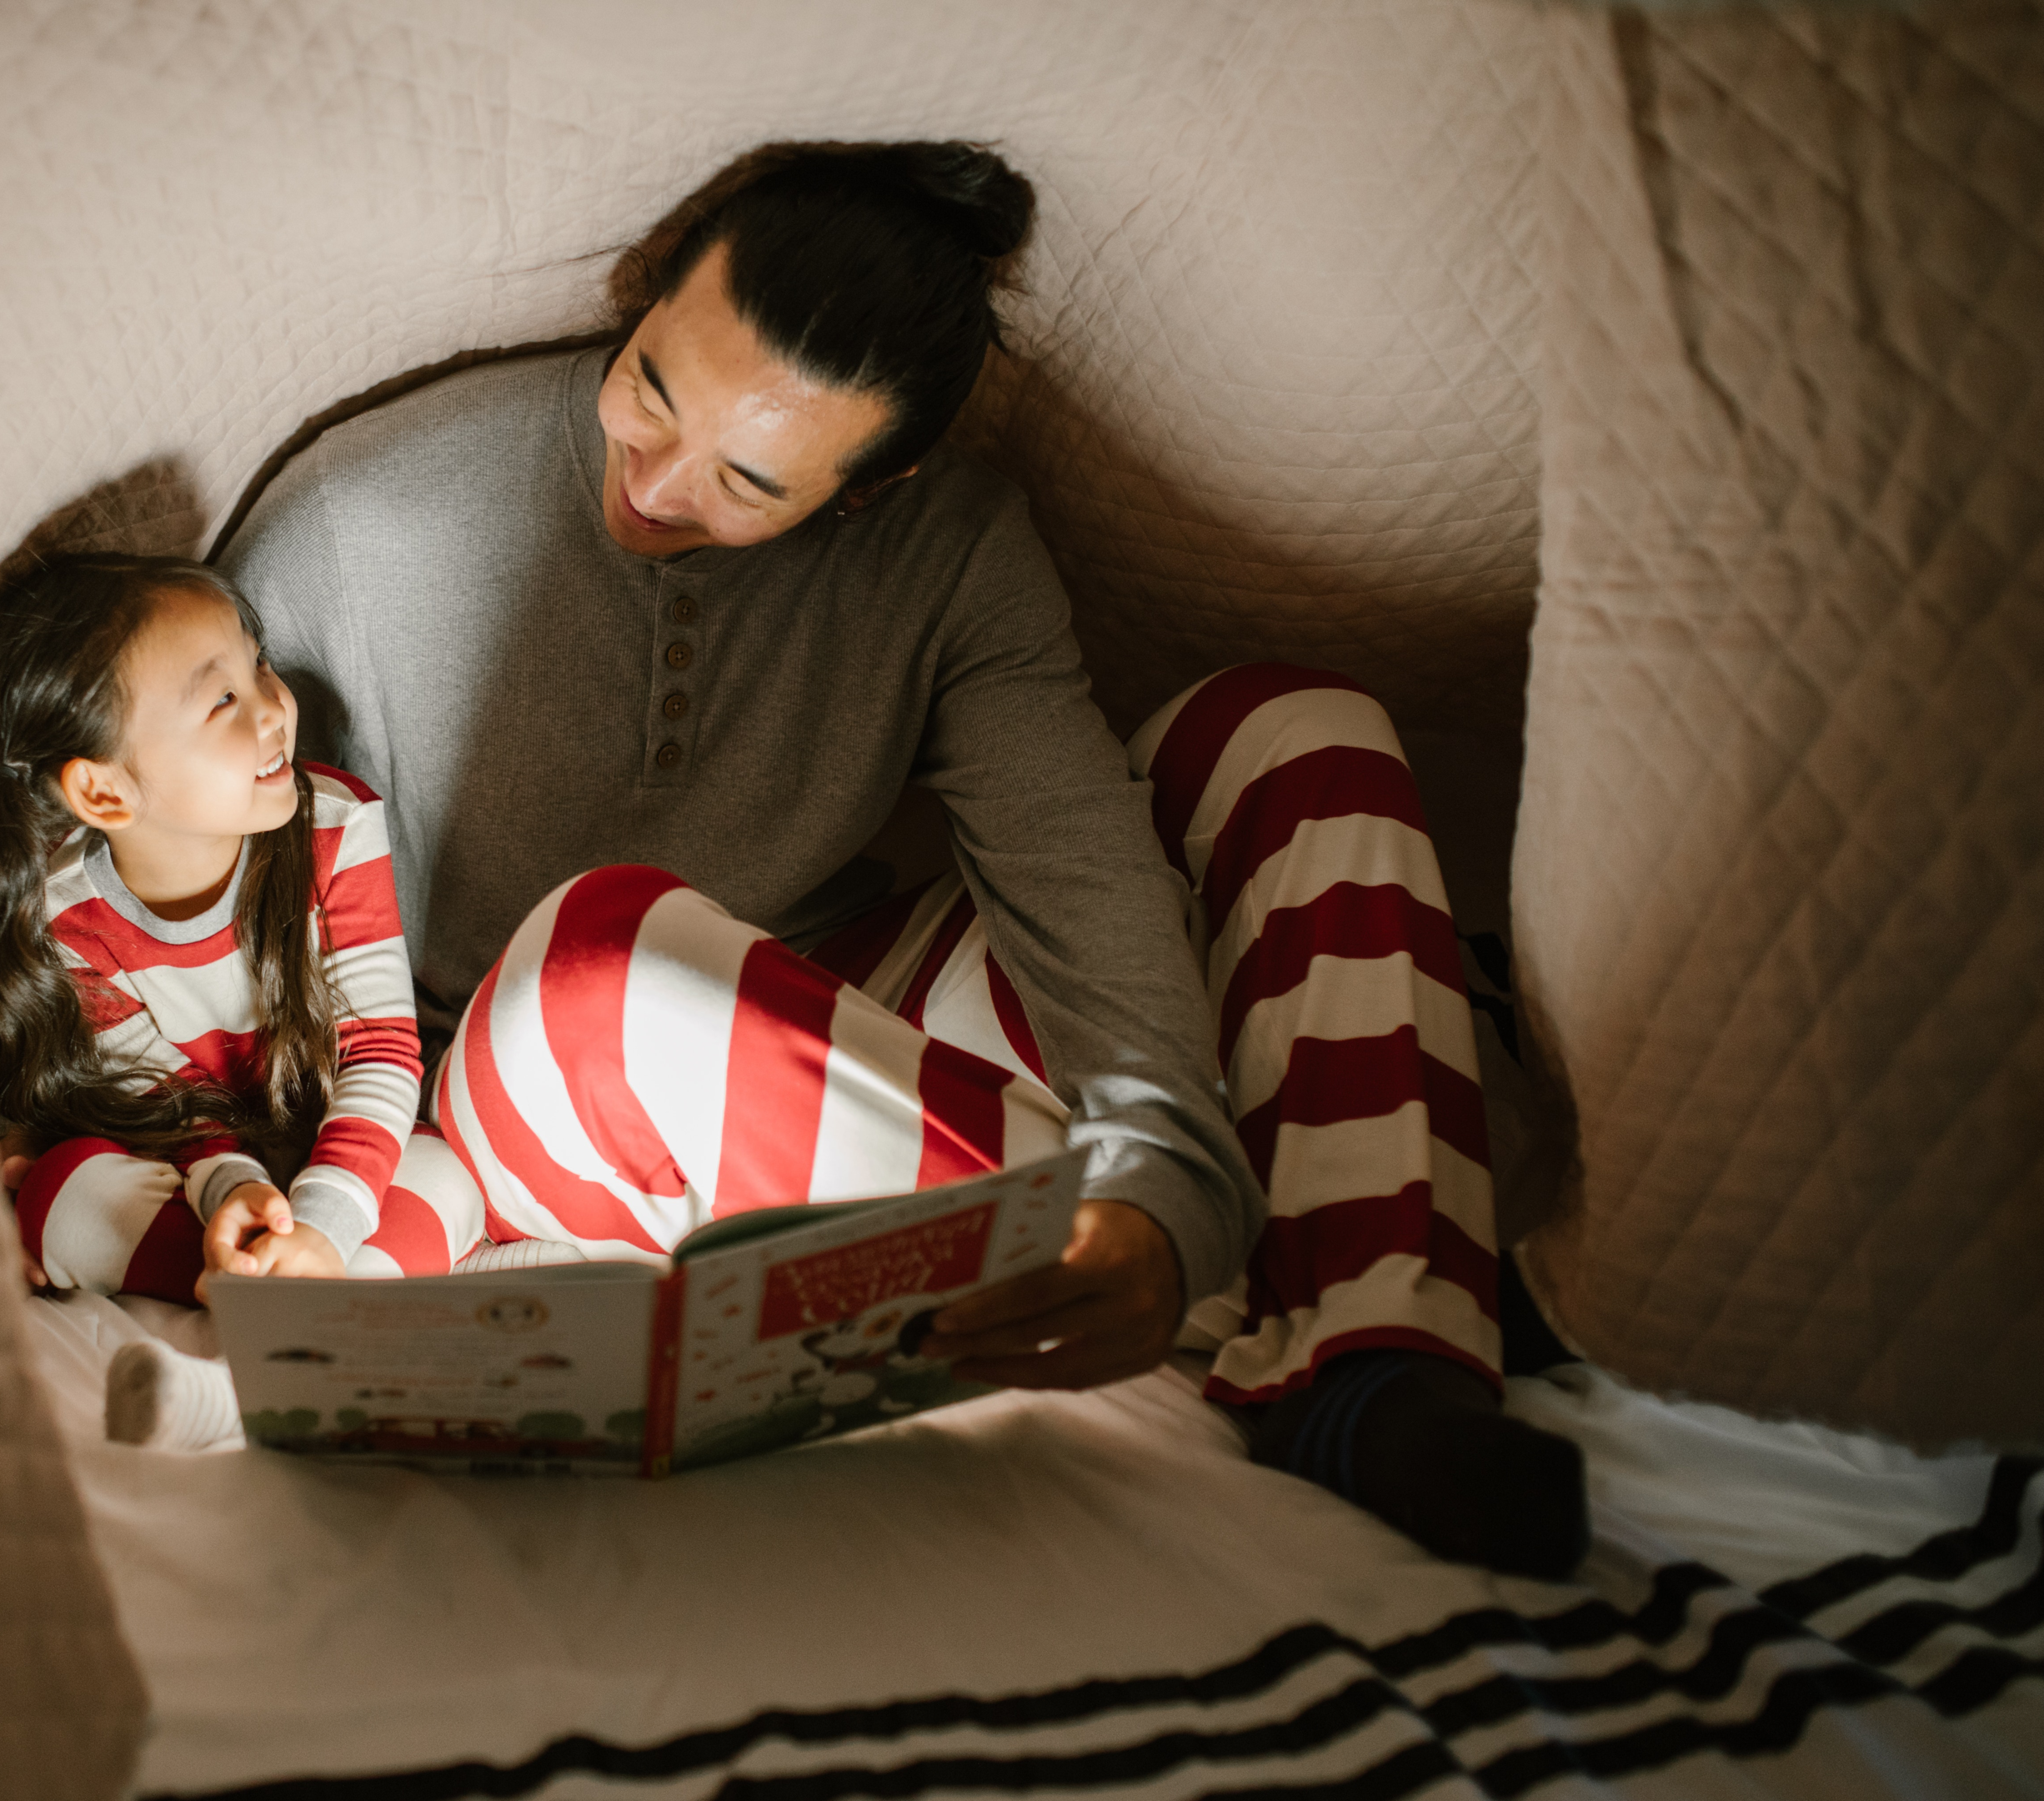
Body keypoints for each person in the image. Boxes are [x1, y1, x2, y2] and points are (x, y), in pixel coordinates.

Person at [217, 141, 1589, 1576]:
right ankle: (1320, 1248)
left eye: (750, 479)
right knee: (599, 959)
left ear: (875, 485)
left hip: (854, 1020)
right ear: (642, 294)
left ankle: (1367, 1357)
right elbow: (226, 941)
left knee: (1298, 728)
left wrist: (1158, 1186)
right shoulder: (364, 530)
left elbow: (1070, 865)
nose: (661, 481)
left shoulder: (954, 548)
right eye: (651, 385)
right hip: (521, 1079)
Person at [0, 551, 469, 1297]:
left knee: (449, 1177)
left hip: (352, 1152)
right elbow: (170, 1106)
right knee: (59, 1194)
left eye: (259, 667)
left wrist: (324, 1222)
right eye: (222, 701)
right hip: (199, 1173)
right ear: (104, 792)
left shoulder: (339, 825)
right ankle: (264, 1299)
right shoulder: (67, 923)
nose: (274, 709)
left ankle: (303, 1301)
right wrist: (234, 1198)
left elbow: (379, 1050)